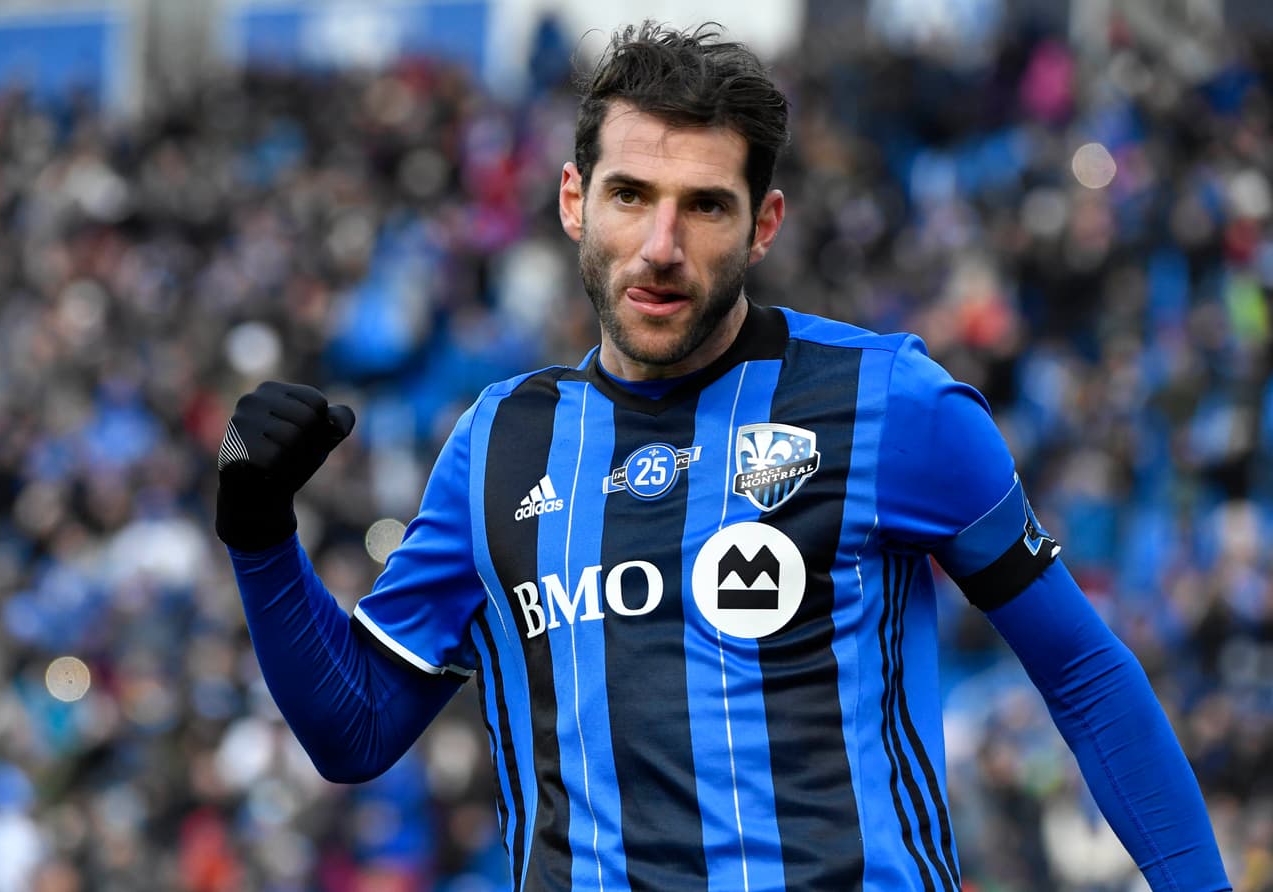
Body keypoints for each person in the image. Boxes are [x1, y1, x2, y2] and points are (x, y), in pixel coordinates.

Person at [215, 21, 1233, 892]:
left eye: (703, 205)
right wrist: (262, 538)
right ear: (574, 201)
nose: (660, 243)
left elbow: (1084, 674)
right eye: (629, 195)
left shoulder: (891, 404)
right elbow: (353, 731)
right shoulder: (497, 445)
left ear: (762, 225)